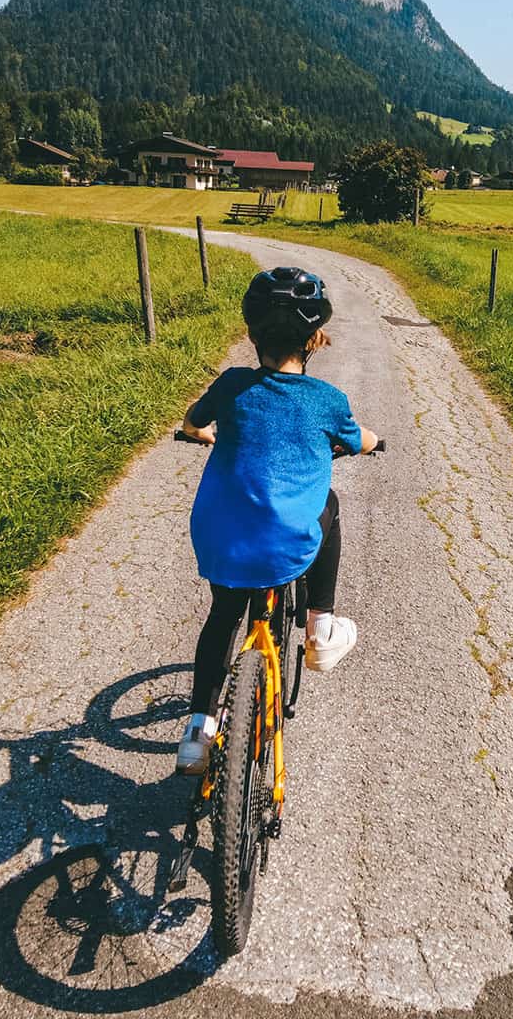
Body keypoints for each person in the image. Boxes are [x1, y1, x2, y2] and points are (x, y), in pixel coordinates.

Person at [175, 266, 378, 775]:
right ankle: (321, 629)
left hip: (222, 538)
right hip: (288, 543)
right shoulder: (328, 401)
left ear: (251, 333)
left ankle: (198, 733)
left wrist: (202, 436)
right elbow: (360, 440)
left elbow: (192, 423)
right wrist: (373, 443)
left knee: (224, 613)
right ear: (313, 339)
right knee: (328, 502)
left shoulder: (231, 387)